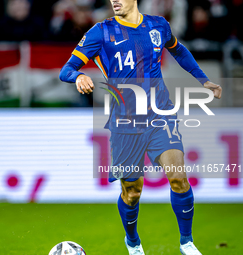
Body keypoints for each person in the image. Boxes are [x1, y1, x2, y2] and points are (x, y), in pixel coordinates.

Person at [59, 0, 222, 254]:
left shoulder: (159, 26)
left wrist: (203, 80)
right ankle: (133, 242)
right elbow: (66, 69)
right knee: (132, 191)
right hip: (125, 122)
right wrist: (78, 76)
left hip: (160, 114)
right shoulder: (100, 32)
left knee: (178, 177)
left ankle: (187, 242)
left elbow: (178, 50)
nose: (114, 1)